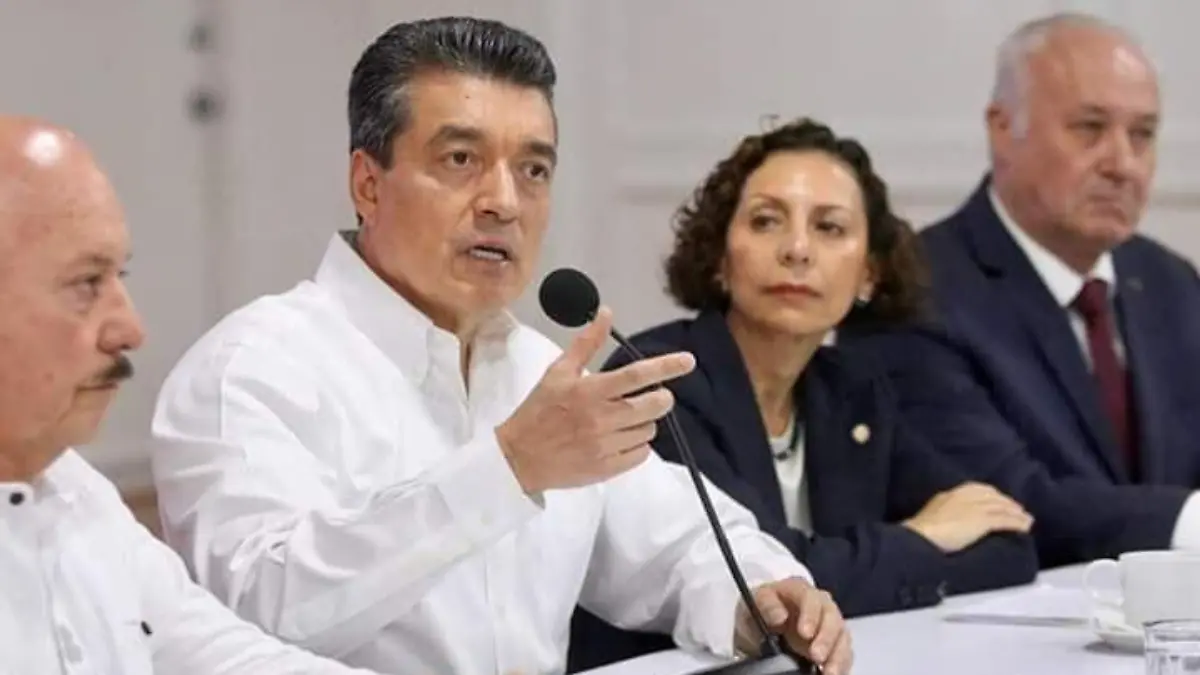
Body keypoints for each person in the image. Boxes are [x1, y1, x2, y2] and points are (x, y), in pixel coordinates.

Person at [148, 17, 852, 675]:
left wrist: (763, 595)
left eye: (534, 170)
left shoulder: (536, 372)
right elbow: (261, 611)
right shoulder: (249, 369)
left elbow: (681, 545)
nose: (504, 202)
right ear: (367, 183)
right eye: (461, 159)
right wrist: (507, 467)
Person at [568, 117, 1039, 670]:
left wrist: (870, 561)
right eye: (766, 221)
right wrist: (923, 537)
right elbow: (762, 581)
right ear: (720, 259)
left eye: (829, 228)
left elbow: (1008, 544)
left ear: (869, 275)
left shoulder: (853, 389)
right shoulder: (659, 378)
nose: (796, 249)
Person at [0, 116, 389, 674]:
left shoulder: (75, 493)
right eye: (86, 284)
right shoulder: (253, 365)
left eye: (118, 278)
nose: (130, 329)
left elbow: (227, 658)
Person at [840, 12, 1200, 568]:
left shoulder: (1170, 283)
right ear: (1003, 128)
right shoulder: (912, 289)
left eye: (1142, 135)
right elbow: (1003, 504)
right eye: (1090, 128)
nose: (1123, 165)